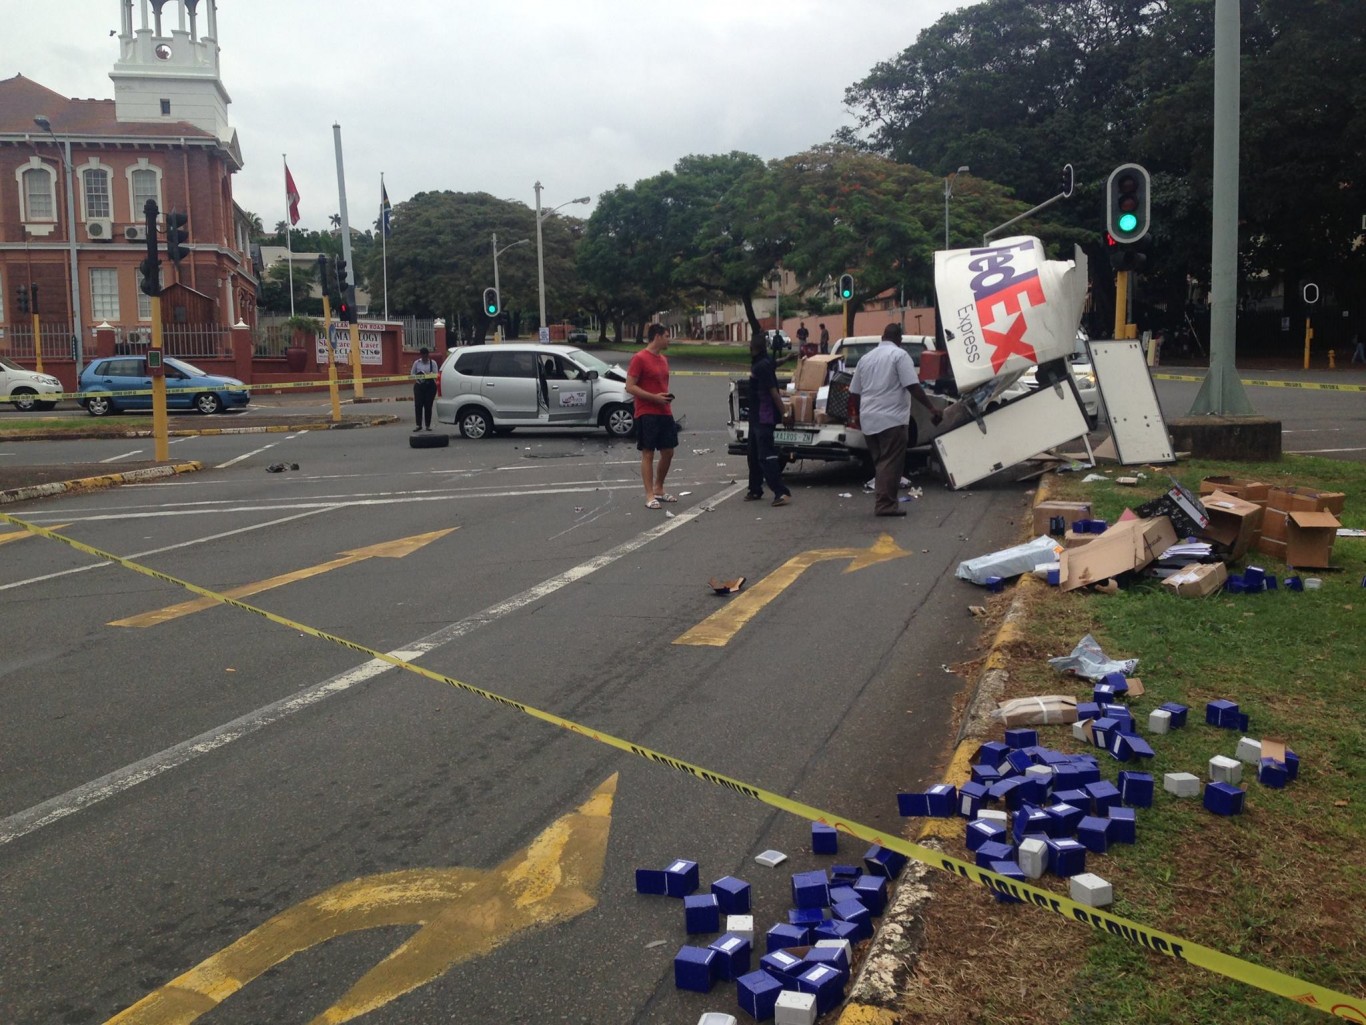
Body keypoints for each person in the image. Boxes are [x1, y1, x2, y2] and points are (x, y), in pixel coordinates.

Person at [848, 323, 942, 517]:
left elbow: (854, 392)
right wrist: (932, 408)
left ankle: (885, 501)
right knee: (890, 463)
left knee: (881, 462)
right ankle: (885, 505)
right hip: (891, 419)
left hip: (868, 421)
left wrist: (856, 415)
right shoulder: (899, 356)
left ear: (883, 336)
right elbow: (912, 386)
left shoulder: (865, 359)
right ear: (899, 338)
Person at [626, 324, 678, 509]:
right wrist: (653, 398)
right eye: (666, 335)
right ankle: (649, 495)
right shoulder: (639, 358)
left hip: (664, 411)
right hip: (646, 411)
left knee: (668, 451)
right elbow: (630, 386)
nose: (668, 339)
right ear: (656, 336)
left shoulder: (663, 359)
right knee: (648, 453)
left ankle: (659, 488)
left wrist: (664, 397)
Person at [745, 331, 792, 507]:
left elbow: (774, 392)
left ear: (752, 348)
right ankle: (755, 489)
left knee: (766, 456)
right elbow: (773, 364)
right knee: (753, 454)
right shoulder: (762, 363)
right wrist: (786, 359)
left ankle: (781, 492)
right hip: (756, 417)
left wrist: (785, 413)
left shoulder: (761, 367)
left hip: (764, 417)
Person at [411, 346, 439, 431]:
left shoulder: (432, 363)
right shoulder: (417, 363)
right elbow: (412, 374)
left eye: (426, 356)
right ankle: (418, 425)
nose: (424, 358)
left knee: (428, 405)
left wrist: (428, 375)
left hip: (430, 386)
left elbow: (436, 374)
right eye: (423, 356)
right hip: (419, 385)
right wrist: (418, 377)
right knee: (418, 405)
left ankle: (427, 425)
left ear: (428, 355)